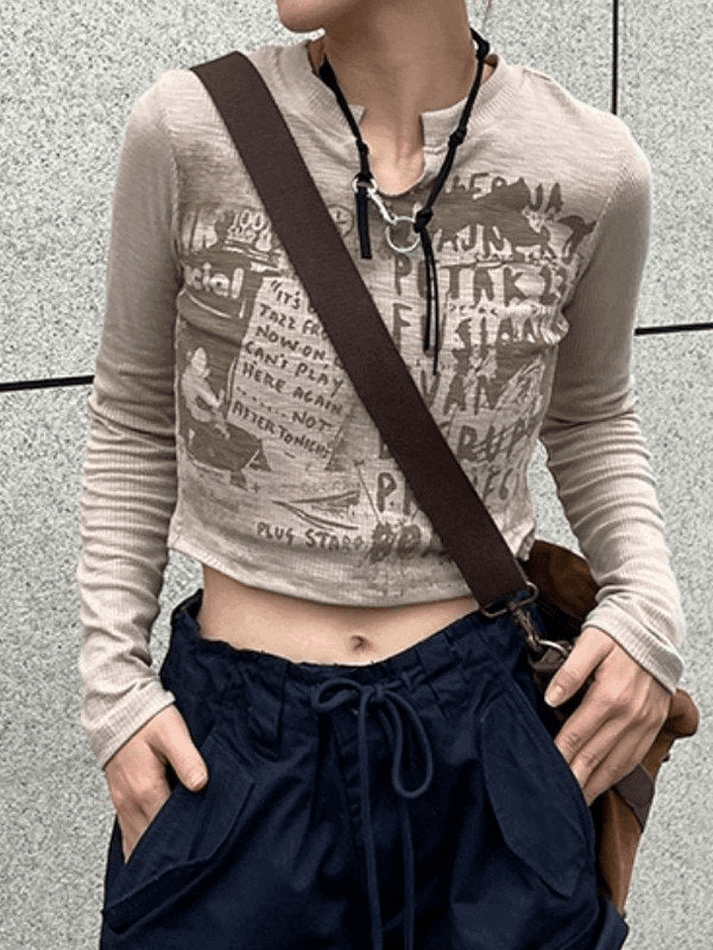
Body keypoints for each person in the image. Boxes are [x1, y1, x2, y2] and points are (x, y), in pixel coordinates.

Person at [77, 0, 685, 947]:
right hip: (234, 750)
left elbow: (591, 418)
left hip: (483, 744)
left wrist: (647, 609)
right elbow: (132, 418)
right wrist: (114, 695)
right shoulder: (189, 128)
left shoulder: (592, 168)